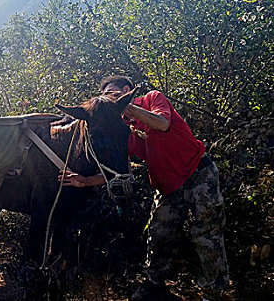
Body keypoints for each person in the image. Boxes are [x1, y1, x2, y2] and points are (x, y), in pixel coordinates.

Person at [60, 75, 229, 301]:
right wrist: (85, 181)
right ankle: (154, 285)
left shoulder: (151, 99)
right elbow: (117, 169)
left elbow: (163, 124)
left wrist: (128, 107)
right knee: (159, 234)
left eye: (114, 93)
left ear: (128, 90)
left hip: (199, 173)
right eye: (106, 96)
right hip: (167, 186)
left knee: (207, 233)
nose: (111, 98)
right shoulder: (122, 130)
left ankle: (213, 292)